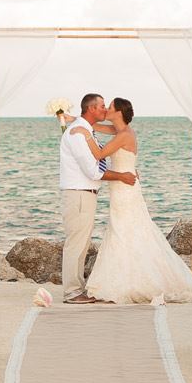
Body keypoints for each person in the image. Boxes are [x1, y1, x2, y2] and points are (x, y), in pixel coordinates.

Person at [68, 97, 192, 304]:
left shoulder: (124, 135)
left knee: (124, 231)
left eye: (110, 107)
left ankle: (132, 281)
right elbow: (100, 127)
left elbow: (99, 154)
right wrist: (76, 120)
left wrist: (84, 135)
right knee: (126, 230)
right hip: (123, 187)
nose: (106, 110)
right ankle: (127, 276)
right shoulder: (120, 131)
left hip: (125, 189)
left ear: (118, 112)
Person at [59, 93, 137, 304]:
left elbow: (107, 139)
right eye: (102, 106)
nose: (105, 110)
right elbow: (93, 171)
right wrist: (122, 175)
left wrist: (76, 123)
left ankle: (77, 288)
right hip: (79, 194)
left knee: (82, 242)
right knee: (76, 243)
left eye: (108, 106)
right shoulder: (78, 134)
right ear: (92, 109)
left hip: (87, 194)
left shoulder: (87, 131)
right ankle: (72, 292)